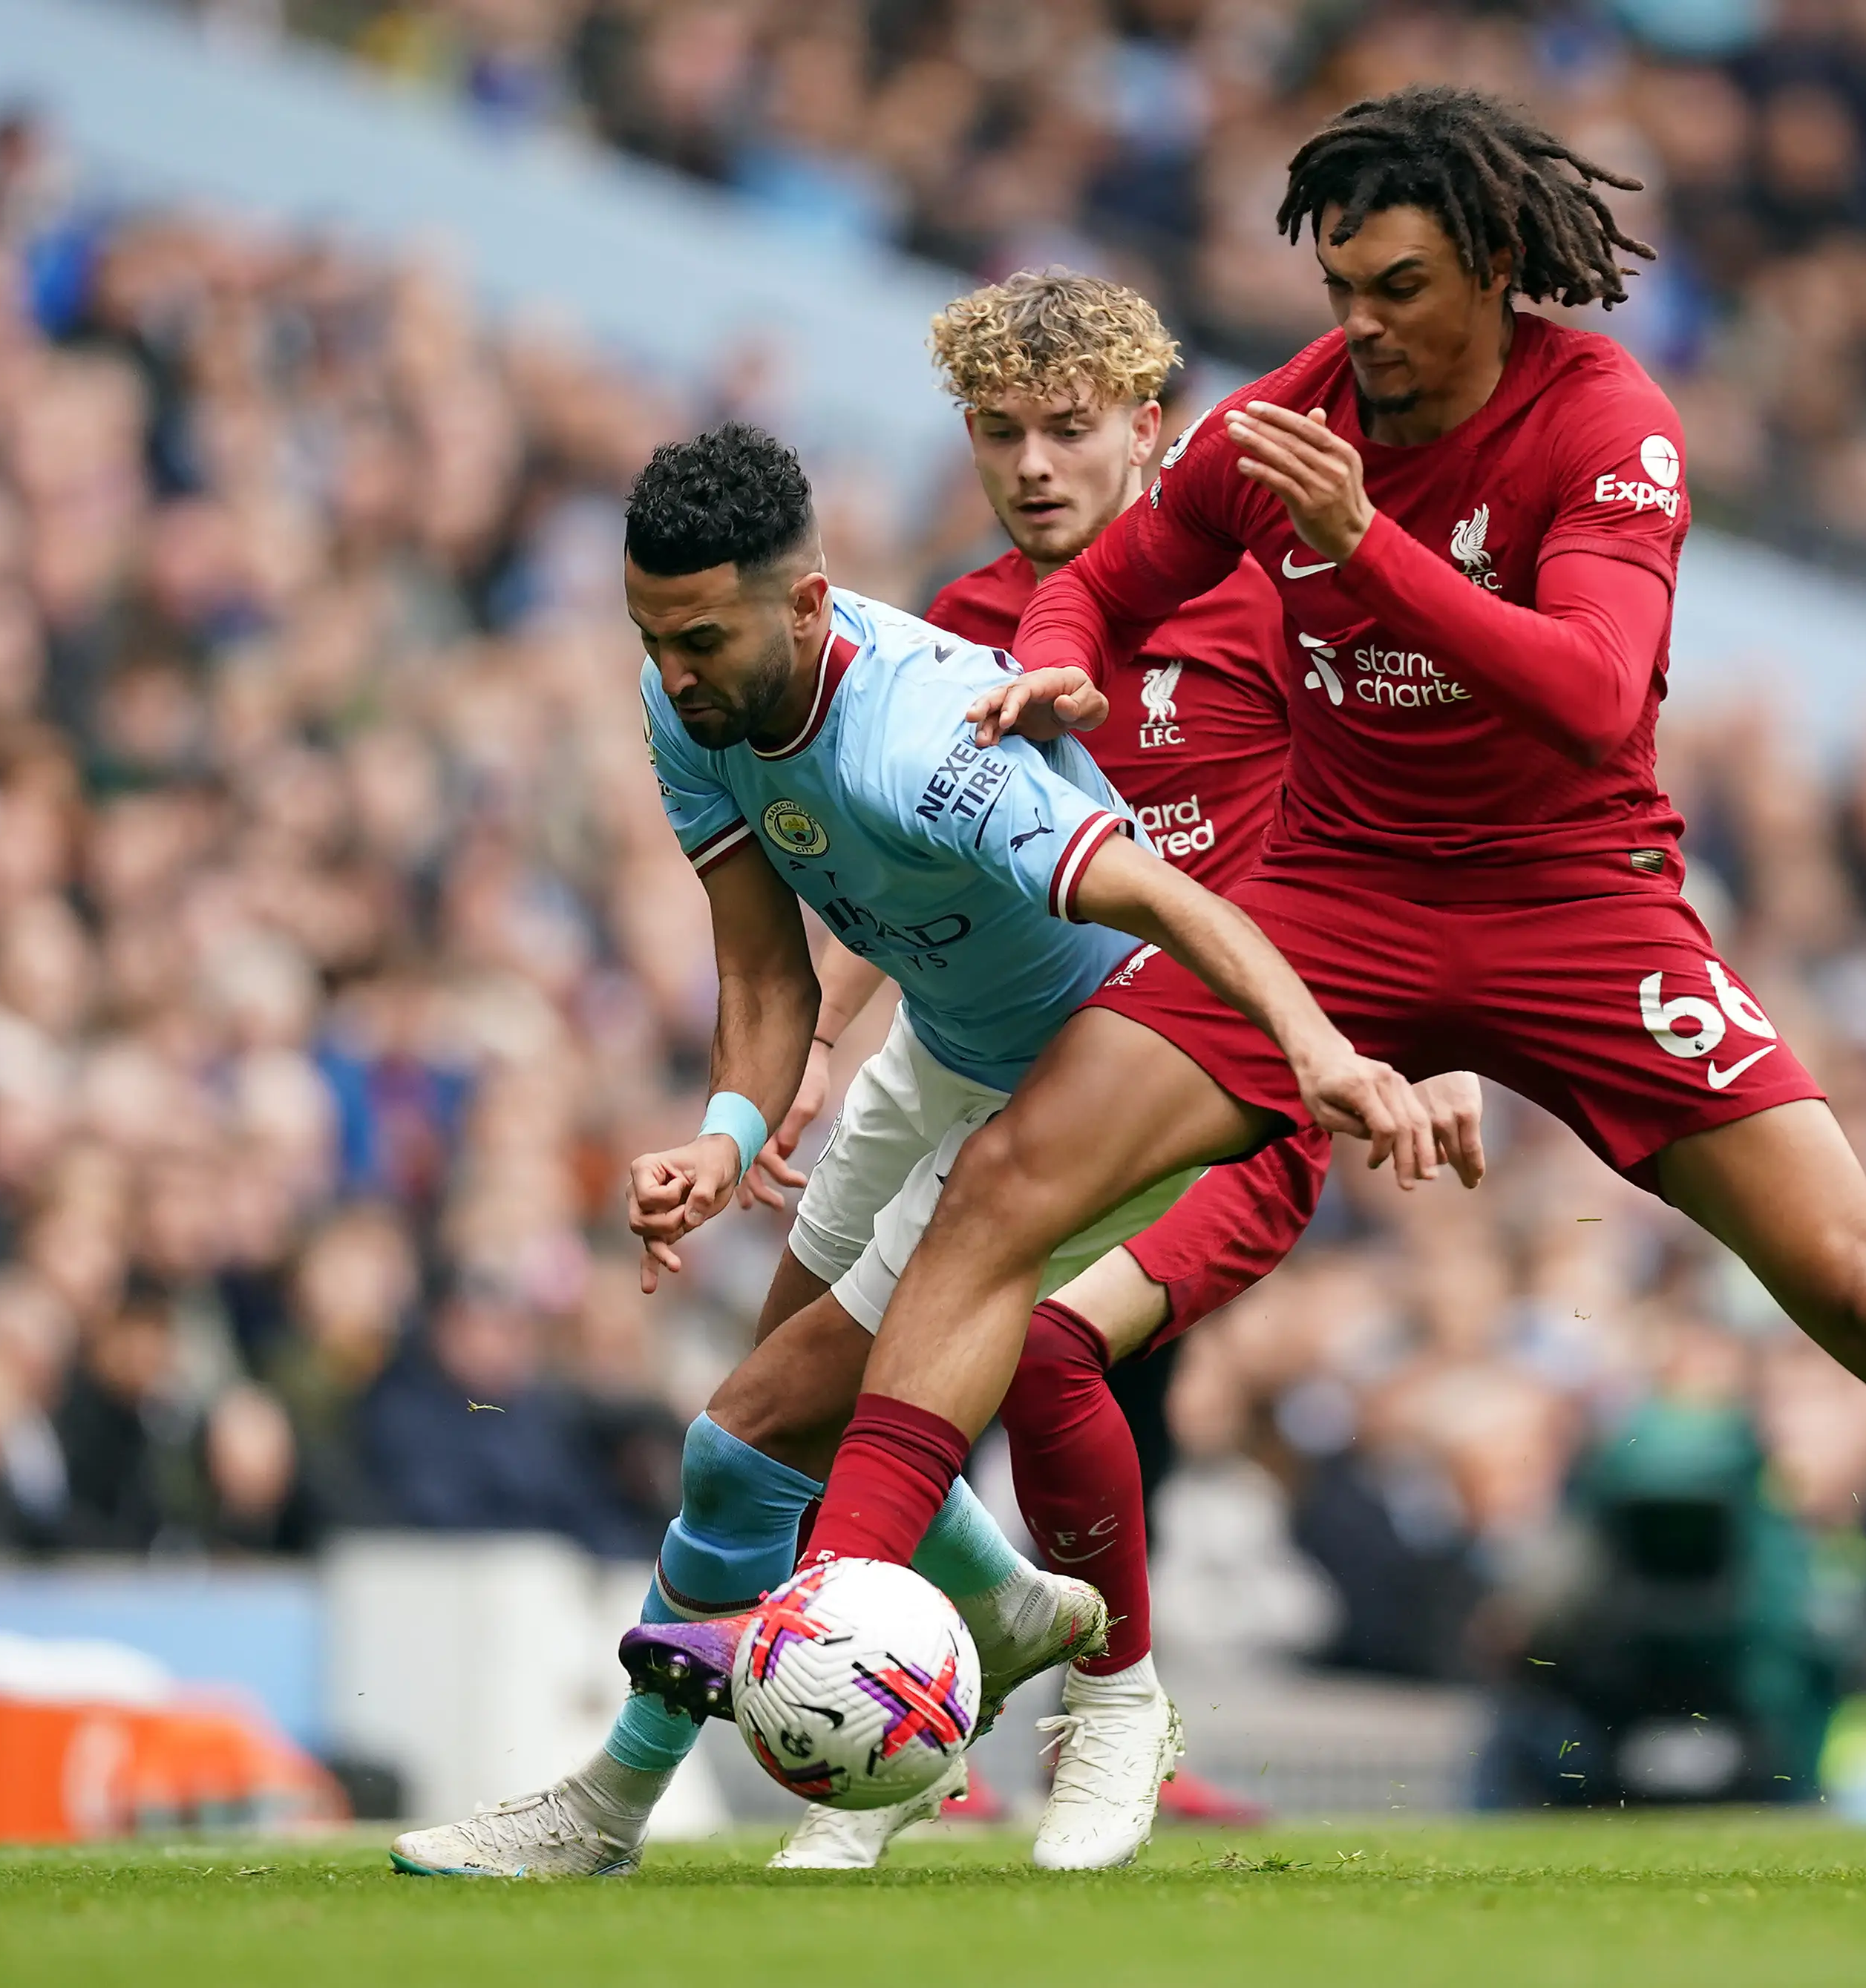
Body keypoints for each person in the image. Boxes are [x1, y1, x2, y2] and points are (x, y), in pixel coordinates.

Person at [788, 85, 1866, 1883]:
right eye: (1340, 286)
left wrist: (1367, 551)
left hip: (1578, 908)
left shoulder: (1608, 424)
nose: (1362, 326)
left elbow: (1588, 690)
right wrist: (1054, 668)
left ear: (1499, 267)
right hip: (1333, 896)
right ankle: (837, 1617)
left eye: (1401, 285)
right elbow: (1099, 584)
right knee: (999, 1201)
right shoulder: (1289, 421)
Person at [390, 421, 1433, 1881]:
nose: (675, 671)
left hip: (1080, 1090)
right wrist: (725, 1133)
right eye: (652, 634)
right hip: (938, 1052)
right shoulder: (686, 702)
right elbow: (767, 979)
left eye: (700, 637)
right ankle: (1000, 1610)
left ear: (807, 604)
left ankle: (612, 1807)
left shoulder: (931, 748)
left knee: (746, 1438)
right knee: (773, 1444)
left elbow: (1169, 899)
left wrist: (1316, 1050)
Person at [828, 269, 1482, 1866]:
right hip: (1048, 1098)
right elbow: (908, 880)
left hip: (1239, 1090)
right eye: (1002, 433)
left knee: (1066, 1359)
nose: (1036, 465)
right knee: (946, 1372)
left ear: (1150, 433)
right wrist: (818, 1064)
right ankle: (927, 1719)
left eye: (1071, 430)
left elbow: (1397, 828)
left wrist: (1432, 1038)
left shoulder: (1268, 598)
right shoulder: (957, 635)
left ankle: (1101, 1719)